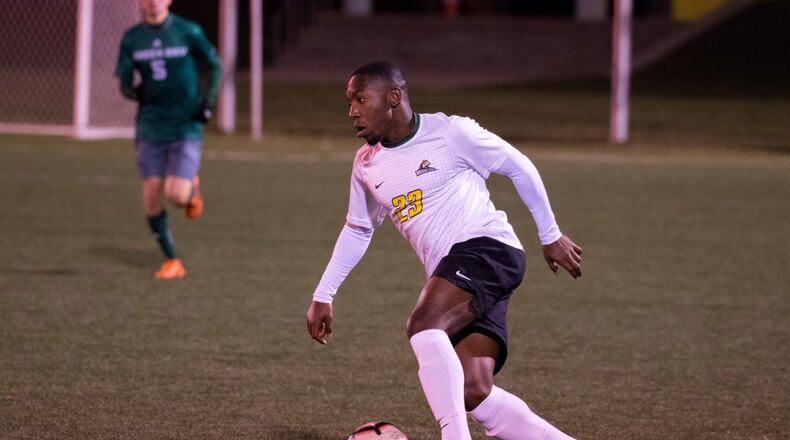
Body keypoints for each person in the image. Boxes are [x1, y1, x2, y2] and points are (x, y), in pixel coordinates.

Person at [306, 61, 583, 440]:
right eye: (349, 101)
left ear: (393, 97)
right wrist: (324, 294)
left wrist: (549, 234)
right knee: (473, 391)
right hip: (462, 270)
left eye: (359, 99)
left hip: (488, 248)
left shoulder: (451, 132)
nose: (351, 111)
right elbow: (358, 228)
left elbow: (518, 166)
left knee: (423, 325)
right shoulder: (366, 165)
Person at [115, 0, 221, 279]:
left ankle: (191, 190)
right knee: (151, 195)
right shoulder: (132, 38)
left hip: (186, 124)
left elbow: (214, 65)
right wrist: (129, 88)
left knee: (175, 195)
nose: (152, 1)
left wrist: (208, 102)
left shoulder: (188, 31)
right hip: (151, 126)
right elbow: (125, 81)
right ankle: (171, 260)